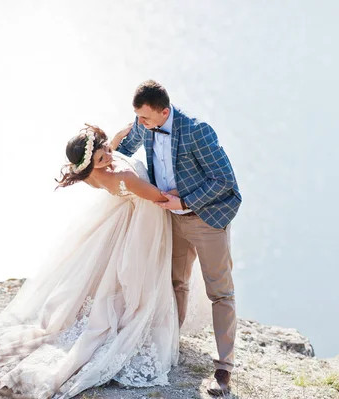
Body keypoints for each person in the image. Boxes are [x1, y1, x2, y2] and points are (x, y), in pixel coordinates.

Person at [0, 125, 180, 399]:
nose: (108, 158)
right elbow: (160, 198)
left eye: (106, 152)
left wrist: (122, 135)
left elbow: (110, 148)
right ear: (91, 164)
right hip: (144, 222)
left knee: (108, 274)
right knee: (135, 281)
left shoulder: (94, 173)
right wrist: (186, 195)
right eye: (101, 160)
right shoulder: (123, 176)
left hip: (126, 218)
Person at [113, 79, 241, 396]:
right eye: (137, 118)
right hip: (171, 220)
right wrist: (105, 149)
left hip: (207, 220)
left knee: (220, 293)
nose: (139, 125)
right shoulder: (145, 124)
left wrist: (184, 201)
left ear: (164, 111)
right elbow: (122, 152)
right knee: (175, 283)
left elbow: (224, 181)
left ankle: (224, 369)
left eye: (144, 118)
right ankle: (170, 345)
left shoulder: (198, 130)